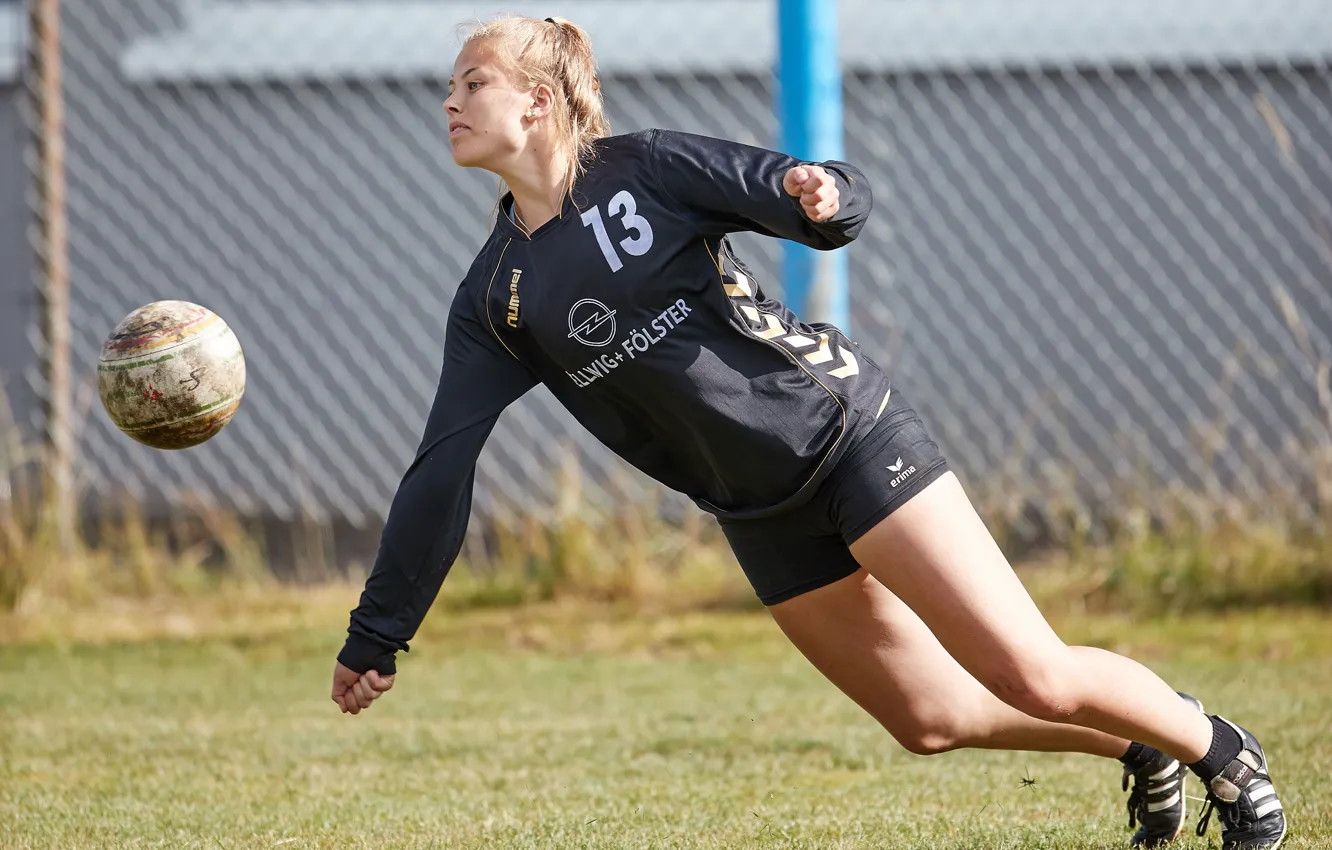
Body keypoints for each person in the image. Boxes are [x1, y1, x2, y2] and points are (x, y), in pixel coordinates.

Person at [328, 15, 1287, 850]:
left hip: (846, 436)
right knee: (931, 719)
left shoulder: (647, 168)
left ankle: (1227, 756)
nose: (448, 102)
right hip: (757, 509)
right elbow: (442, 468)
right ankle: (1138, 739)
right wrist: (381, 632)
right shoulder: (495, 294)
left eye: (472, 83)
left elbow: (804, 190)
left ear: (537, 101)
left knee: (1028, 669)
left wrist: (825, 197)